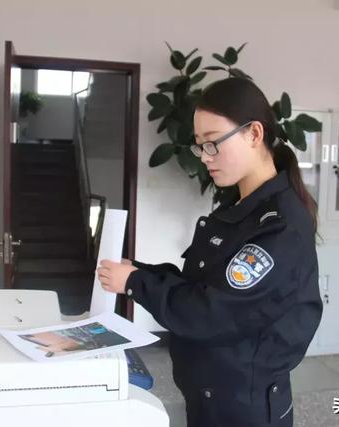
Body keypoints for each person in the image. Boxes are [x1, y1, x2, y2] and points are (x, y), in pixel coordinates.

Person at [96, 77, 323, 427]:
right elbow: (201, 285)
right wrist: (138, 270)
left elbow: (211, 312)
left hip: (243, 407)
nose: (205, 157)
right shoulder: (239, 205)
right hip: (212, 395)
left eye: (213, 143)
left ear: (254, 134)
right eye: (200, 146)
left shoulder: (280, 225)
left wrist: (135, 283)